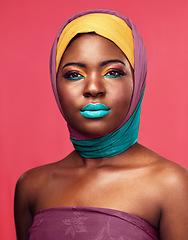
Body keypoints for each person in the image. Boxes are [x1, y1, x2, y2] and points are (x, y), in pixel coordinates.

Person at [14, 9, 188, 240]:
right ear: (55, 84)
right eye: (74, 74)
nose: (93, 88)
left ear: (137, 81)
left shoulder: (171, 184)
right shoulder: (32, 187)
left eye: (112, 72)